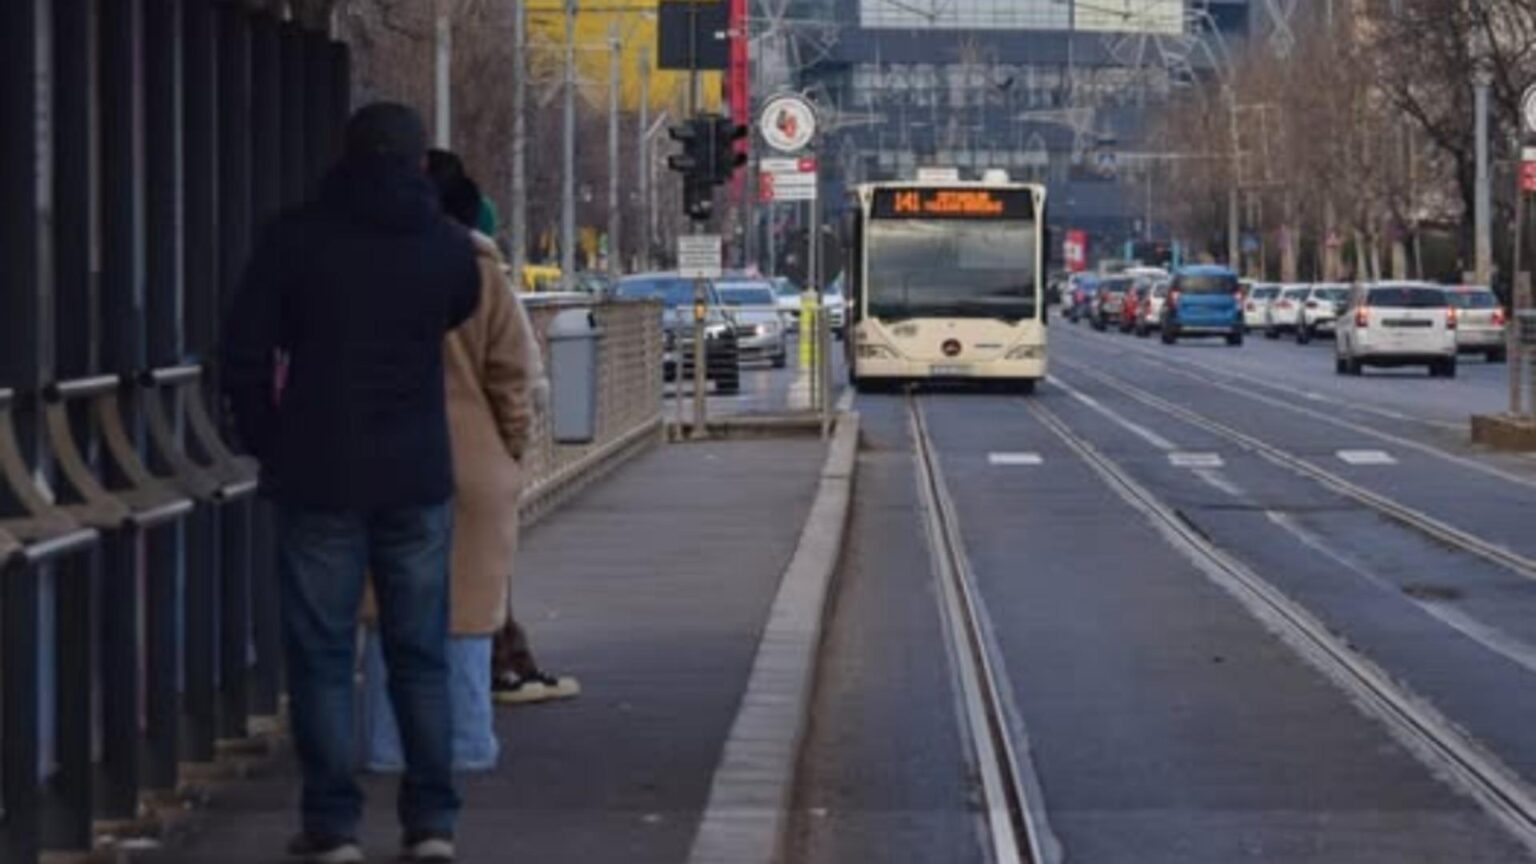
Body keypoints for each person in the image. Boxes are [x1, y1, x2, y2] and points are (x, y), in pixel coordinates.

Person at [222, 103, 476, 864]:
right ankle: (432, 823)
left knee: (324, 654)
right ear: (417, 161)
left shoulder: (295, 239)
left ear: (345, 154)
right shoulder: (446, 246)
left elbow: (242, 352)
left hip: (319, 470)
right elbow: (457, 311)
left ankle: (333, 826)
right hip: (417, 472)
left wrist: (272, 440)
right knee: (419, 653)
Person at [358, 149, 551, 774]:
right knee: (468, 613)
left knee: (389, 611)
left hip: (384, 459)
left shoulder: (363, 265)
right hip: (471, 461)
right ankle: (466, 742)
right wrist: (508, 449)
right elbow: (514, 375)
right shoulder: (480, 271)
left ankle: (387, 748)